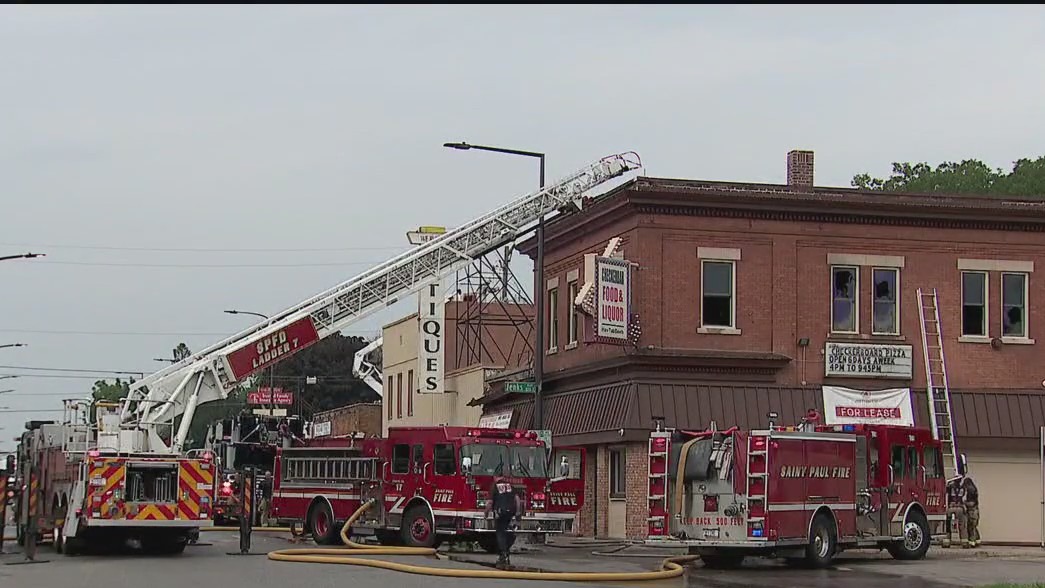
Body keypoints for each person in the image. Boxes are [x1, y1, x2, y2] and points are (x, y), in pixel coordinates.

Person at [485, 474, 523, 568]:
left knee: (500, 532)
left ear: (495, 477)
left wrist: (486, 514)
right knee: (506, 532)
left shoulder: (495, 486)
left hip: (500, 512)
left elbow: (490, 502)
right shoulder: (509, 485)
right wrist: (518, 513)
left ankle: (503, 554)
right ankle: (506, 552)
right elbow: (517, 499)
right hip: (510, 512)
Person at [943, 476, 968, 548]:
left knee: (948, 524)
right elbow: (964, 498)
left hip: (951, 508)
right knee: (962, 525)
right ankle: (964, 542)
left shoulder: (950, 487)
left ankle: (947, 541)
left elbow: (945, 494)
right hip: (960, 508)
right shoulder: (963, 488)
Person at [961, 472, 980, 548]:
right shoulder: (974, 489)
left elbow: (971, 503)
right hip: (975, 510)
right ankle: (977, 540)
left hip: (972, 511)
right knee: (974, 526)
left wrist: (964, 502)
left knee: (971, 526)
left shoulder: (970, 491)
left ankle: (972, 542)